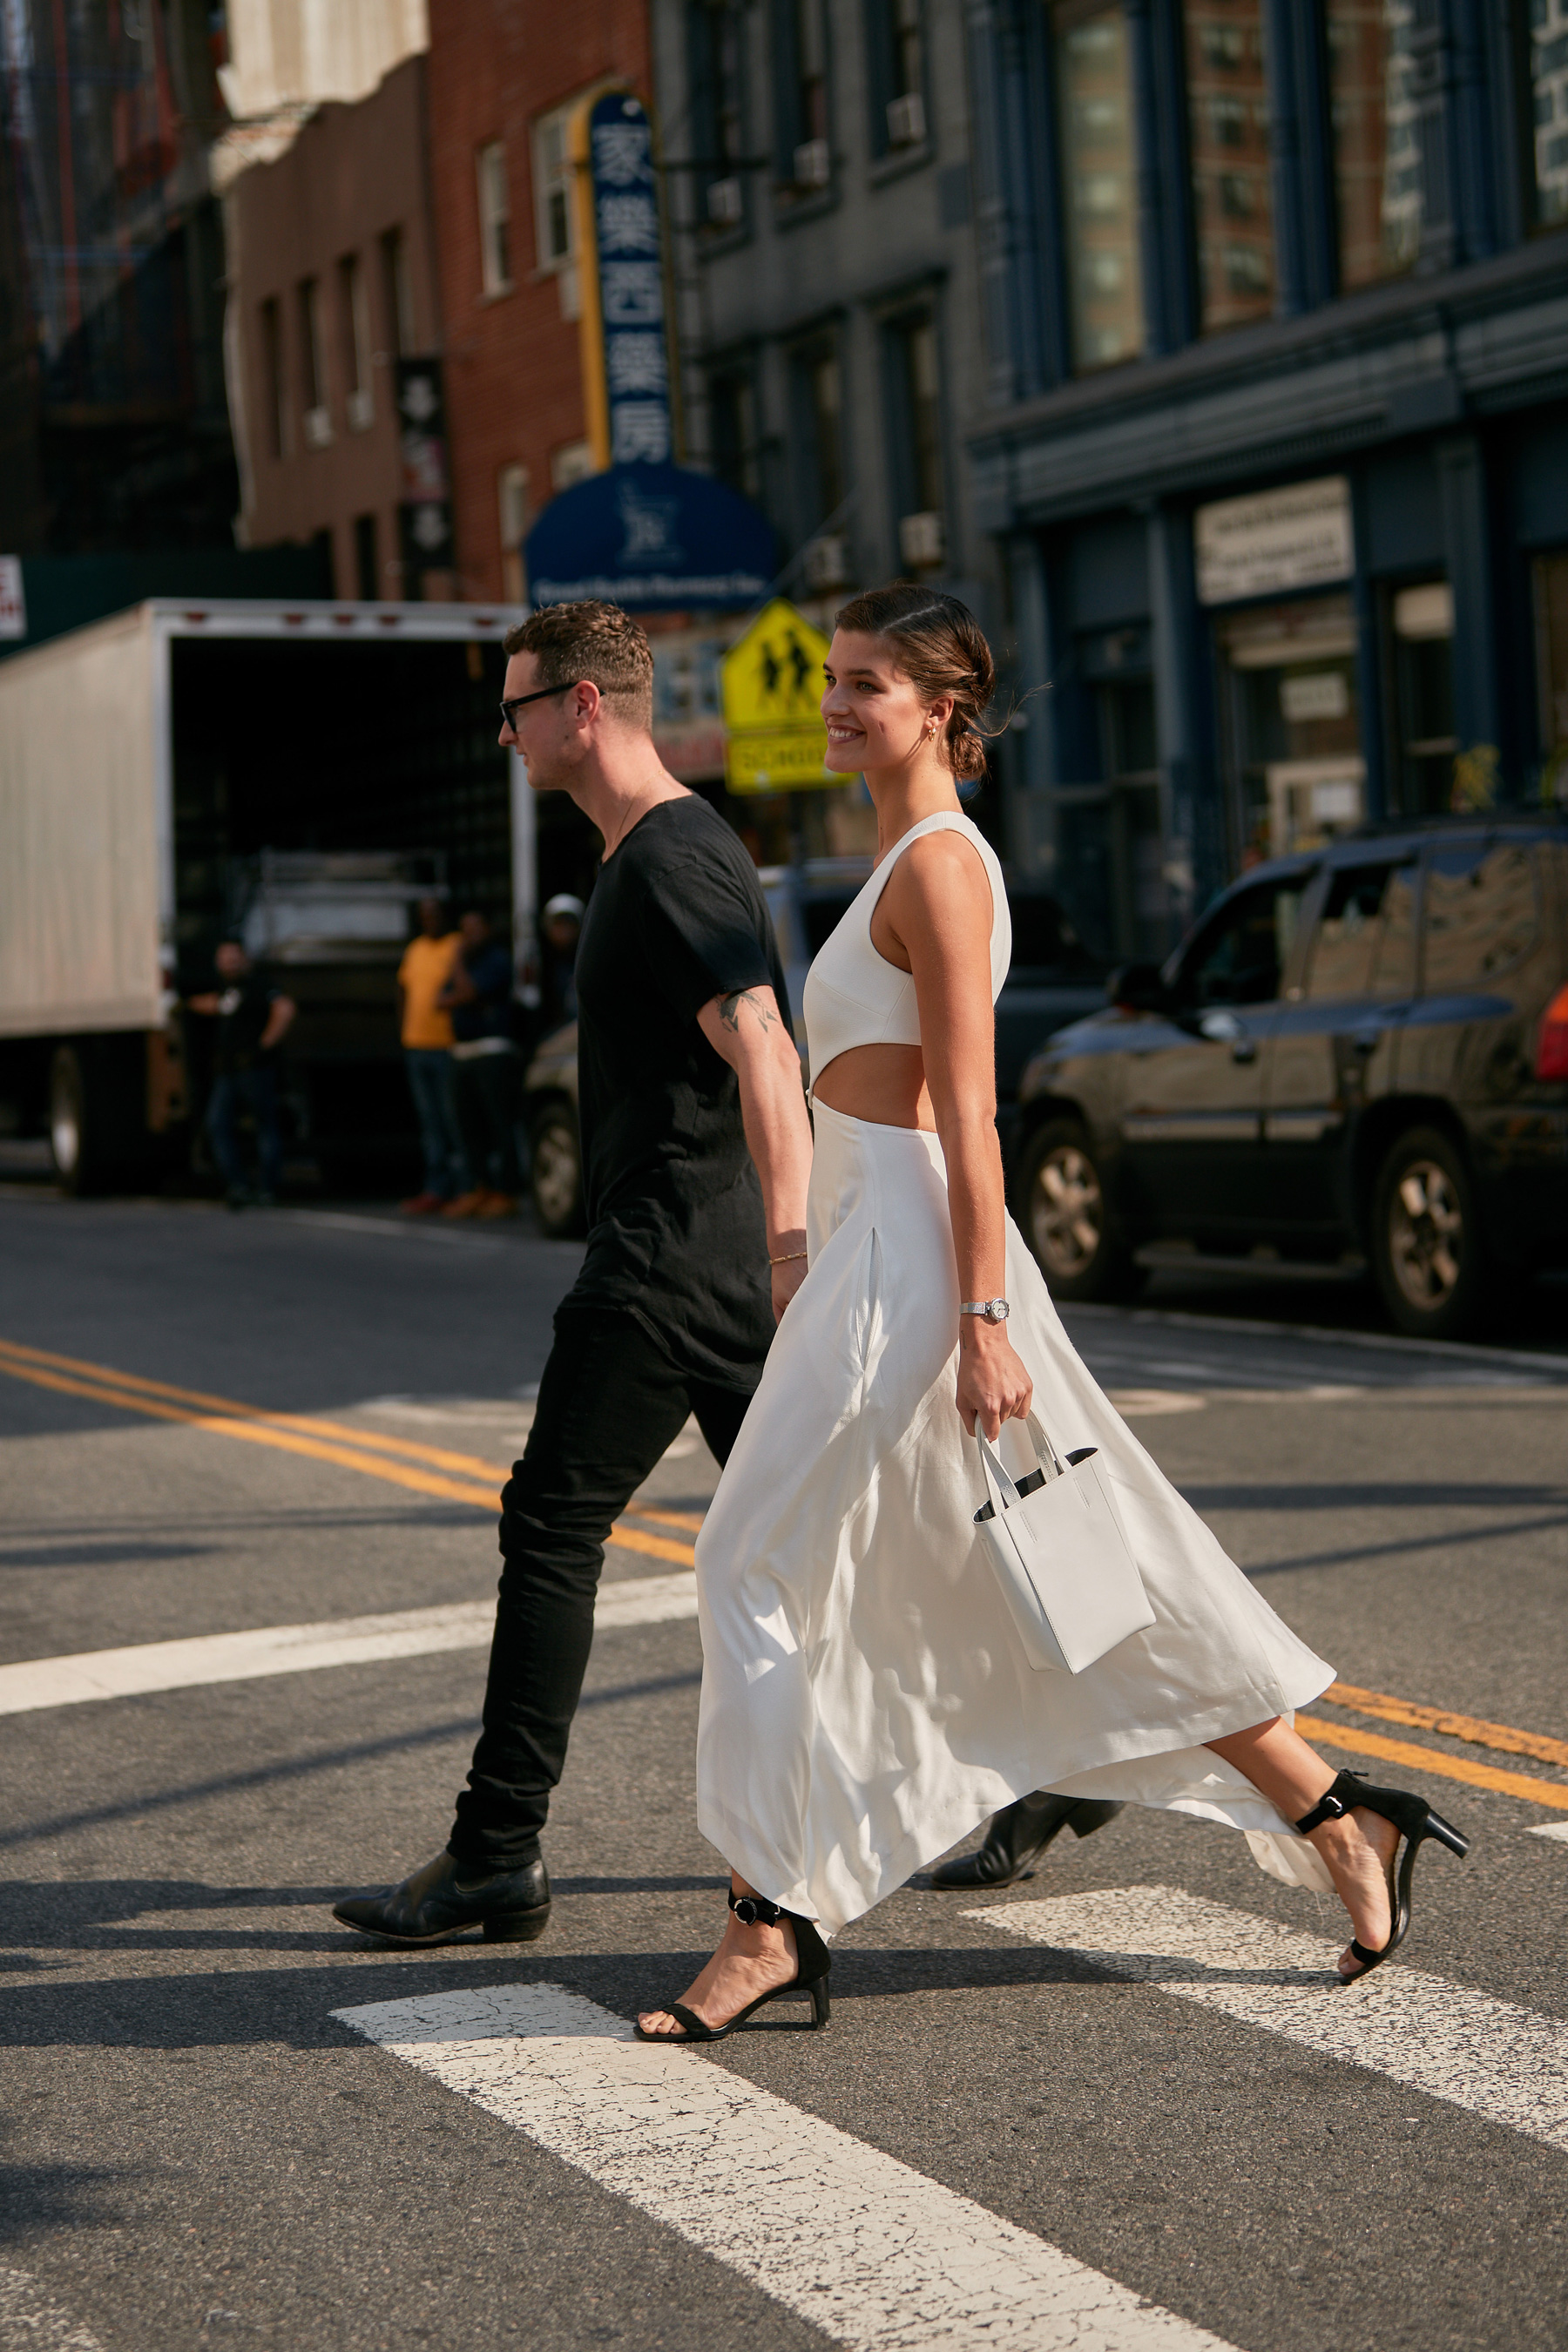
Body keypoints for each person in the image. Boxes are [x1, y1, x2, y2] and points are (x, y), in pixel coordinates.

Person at [636, 586, 1468, 2044]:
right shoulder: (896, 850)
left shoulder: (943, 868)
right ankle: (1341, 1819)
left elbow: (969, 1110)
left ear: (945, 709)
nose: (836, 703)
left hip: (919, 1256)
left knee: (752, 1562)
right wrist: (808, 1249)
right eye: (834, 678)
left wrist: (980, 1314)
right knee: (1071, 1574)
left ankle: (766, 1925)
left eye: (866, 684)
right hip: (872, 1248)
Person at [333, 598, 814, 1947]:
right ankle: (1050, 1765)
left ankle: (496, 1849)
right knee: (833, 1544)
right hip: (710, 1261)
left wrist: (792, 1252)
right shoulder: (671, 847)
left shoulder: (666, 861)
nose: (507, 730)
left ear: (583, 708)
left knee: (550, 1527)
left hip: (670, 1259)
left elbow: (768, 1052)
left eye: (517, 706)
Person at [186, 939, 294, 1208]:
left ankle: (268, 1188)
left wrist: (264, 1045)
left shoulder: (259, 986)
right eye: (224, 958)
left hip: (254, 1069)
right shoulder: (229, 990)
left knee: (265, 1126)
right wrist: (187, 1003)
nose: (230, 962)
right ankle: (239, 1185)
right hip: (228, 1071)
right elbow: (217, 1004)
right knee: (217, 1125)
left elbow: (285, 1009)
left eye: (235, 957)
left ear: (245, 959)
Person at [439, 909, 524, 1220]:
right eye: (463, 930)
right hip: (462, 1052)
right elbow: (441, 1000)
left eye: (474, 929)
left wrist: (458, 963)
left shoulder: (496, 960)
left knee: (499, 1123)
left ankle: (506, 1190)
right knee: (468, 1125)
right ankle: (480, 1187)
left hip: (492, 1050)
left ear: (487, 929)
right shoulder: (469, 963)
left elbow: (469, 991)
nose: (467, 936)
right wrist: (462, 992)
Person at [397, 896, 468, 1215]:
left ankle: (464, 1187)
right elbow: (403, 989)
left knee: (453, 1120)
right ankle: (436, 1188)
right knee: (430, 1124)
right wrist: (403, 1030)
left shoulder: (457, 945)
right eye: (425, 915)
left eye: (435, 914)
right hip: (416, 1045)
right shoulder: (415, 949)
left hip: (446, 1045)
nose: (430, 920)